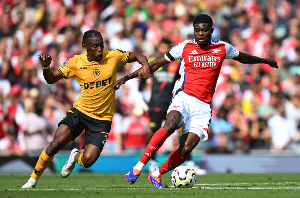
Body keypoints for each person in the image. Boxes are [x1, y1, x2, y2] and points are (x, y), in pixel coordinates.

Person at [114, 14, 278, 188]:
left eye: (204, 30)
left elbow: (243, 57)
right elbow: (157, 63)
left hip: (203, 105)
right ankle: (137, 168)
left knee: (186, 148)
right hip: (184, 96)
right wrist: (127, 77)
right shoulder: (185, 46)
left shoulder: (223, 47)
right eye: (197, 30)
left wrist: (265, 61)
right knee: (171, 123)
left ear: (211, 31)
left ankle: (157, 174)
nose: (200, 33)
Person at [22, 30, 151, 188]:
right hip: (80, 112)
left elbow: (139, 56)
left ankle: (75, 156)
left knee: (88, 161)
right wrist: (46, 67)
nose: (99, 49)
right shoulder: (76, 62)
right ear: (85, 47)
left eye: (101, 45)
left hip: (102, 120)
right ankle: (32, 180)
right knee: (55, 144)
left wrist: (144, 65)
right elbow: (51, 79)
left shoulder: (113, 56)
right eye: (95, 46)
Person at [141, 39, 206, 174]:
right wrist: (142, 99)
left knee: (184, 132)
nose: (163, 49)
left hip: (174, 103)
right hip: (156, 104)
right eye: (161, 47)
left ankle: (189, 162)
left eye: (166, 47)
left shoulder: (176, 65)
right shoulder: (154, 61)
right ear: (158, 47)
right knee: (154, 134)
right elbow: (142, 82)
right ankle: (153, 163)